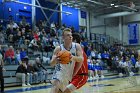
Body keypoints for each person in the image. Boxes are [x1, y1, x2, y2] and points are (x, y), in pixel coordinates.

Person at [50, 28, 84, 93]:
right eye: (68, 35)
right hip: (59, 72)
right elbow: (51, 63)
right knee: (54, 88)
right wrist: (55, 60)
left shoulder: (77, 46)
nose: (70, 36)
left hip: (68, 75)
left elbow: (81, 59)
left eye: (71, 35)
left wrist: (72, 57)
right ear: (63, 37)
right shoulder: (58, 48)